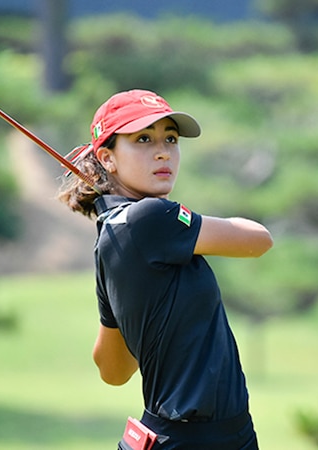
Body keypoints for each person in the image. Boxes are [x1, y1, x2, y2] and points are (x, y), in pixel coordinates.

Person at [57, 89, 273, 449]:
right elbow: (258, 239)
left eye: (170, 139)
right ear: (107, 159)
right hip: (199, 439)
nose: (163, 151)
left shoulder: (110, 236)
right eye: (143, 139)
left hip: (183, 437)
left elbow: (113, 369)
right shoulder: (153, 217)